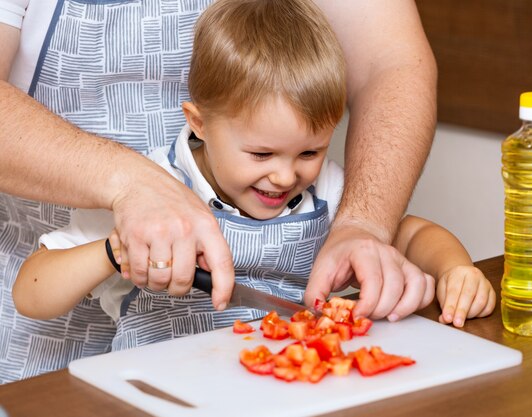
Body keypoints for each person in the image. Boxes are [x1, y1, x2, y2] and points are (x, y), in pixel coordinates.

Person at [13, 0, 494, 351]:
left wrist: (454, 269)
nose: (285, 176)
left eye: (310, 150)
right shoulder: (157, 188)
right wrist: (114, 251)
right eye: (261, 153)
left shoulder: (323, 189)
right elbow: (31, 290)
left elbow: (413, 234)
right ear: (198, 122)